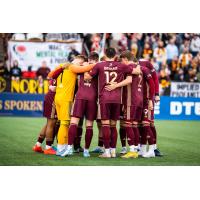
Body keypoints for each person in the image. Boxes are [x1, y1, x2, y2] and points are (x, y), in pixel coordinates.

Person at [84, 48, 141, 158]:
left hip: (104, 98)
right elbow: (136, 72)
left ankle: (107, 152)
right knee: (113, 125)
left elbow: (87, 77)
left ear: (105, 54)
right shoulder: (121, 65)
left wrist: (86, 66)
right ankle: (113, 151)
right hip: (117, 99)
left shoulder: (99, 65)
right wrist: (138, 65)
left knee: (105, 124)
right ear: (115, 55)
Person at [105, 50, 155, 158]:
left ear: (126, 60)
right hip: (140, 100)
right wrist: (151, 98)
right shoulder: (143, 69)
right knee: (135, 125)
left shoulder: (129, 68)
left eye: (122, 60)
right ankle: (136, 149)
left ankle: (132, 150)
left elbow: (129, 81)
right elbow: (152, 83)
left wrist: (116, 85)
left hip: (130, 100)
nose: (121, 63)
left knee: (127, 124)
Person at [48, 56, 95, 156]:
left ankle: (62, 146)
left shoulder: (61, 65)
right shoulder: (72, 67)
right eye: (81, 63)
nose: (80, 65)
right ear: (79, 61)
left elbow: (50, 75)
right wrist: (98, 64)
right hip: (66, 99)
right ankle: (61, 148)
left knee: (61, 123)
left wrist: (61, 68)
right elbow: (85, 69)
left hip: (58, 98)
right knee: (65, 124)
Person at [61, 52, 99, 157]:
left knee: (74, 123)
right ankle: (86, 150)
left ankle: (69, 148)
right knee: (89, 125)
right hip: (92, 98)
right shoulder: (99, 67)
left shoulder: (81, 66)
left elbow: (81, 74)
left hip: (80, 96)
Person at [32, 71, 60, 155]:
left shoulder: (56, 74)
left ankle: (38, 145)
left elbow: (51, 85)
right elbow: (53, 88)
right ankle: (48, 148)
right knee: (52, 123)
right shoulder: (62, 75)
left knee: (48, 123)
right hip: (52, 99)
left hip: (50, 98)